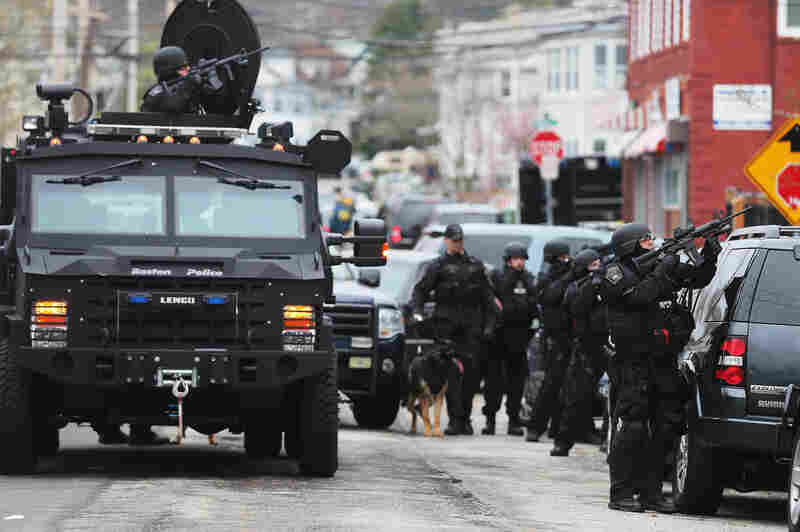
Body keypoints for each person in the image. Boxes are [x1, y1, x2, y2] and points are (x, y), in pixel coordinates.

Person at [601, 224, 718, 513]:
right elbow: (639, 296)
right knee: (632, 426)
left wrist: (709, 256)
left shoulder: (660, 266)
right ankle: (622, 493)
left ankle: (651, 494)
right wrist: (664, 267)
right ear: (630, 246)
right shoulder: (615, 275)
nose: (651, 243)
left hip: (662, 361)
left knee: (665, 426)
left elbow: (697, 279)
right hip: (633, 363)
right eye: (645, 240)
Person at [412, 224, 496, 436]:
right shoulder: (437, 266)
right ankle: (455, 420)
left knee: (471, 375)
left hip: (470, 328)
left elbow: (488, 299)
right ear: (447, 241)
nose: (458, 244)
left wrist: (489, 326)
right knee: (450, 375)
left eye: (461, 240)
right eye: (454, 240)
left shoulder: (475, 266)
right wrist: (418, 314)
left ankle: (465, 419)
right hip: (446, 328)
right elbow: (420, 291)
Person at [551, 248, 607, 456]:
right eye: (593, 265)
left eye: (599, 264)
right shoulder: (576, 288)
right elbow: (576, 307)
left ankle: (606, 439)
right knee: (576, 397)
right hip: (586, 348)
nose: (597, 269)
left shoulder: (607, 281)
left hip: (611, 344)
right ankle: (563, 441)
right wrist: (592, 286)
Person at [483, 242, 537, 436]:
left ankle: (513, 420)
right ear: (508, 260)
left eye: (522, 259)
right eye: (516, 259)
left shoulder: (529, 279)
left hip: (519, 336)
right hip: (498, 336)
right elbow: (492, 302)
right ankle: (490, 420)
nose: (519, 262)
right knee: (494, 382)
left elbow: (534, 304)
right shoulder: (498, 277)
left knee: (516, 382)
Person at [525, 240, 573, 443]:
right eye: (563, 258)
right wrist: (571, 273)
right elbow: (551, 296)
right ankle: (535, 427)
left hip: (572, 336)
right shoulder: (545, 278)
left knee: (570, 386)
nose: (566, 261)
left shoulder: (570, 274)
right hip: (555, 338)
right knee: (551, 385)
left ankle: (558, 428)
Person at [141, 46, 227, 114]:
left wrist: (210, 78)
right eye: (183, 68)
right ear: (169, 72)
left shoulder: (188, 88)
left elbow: (220, 106)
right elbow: (172, 107)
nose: (188, 69)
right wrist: (189, 84)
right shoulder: (156, 92)